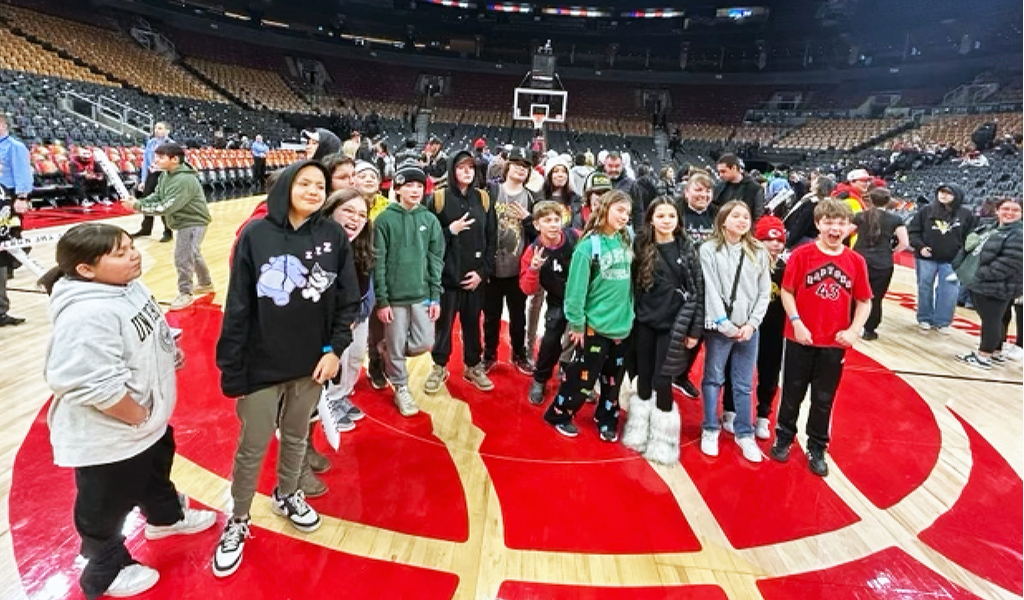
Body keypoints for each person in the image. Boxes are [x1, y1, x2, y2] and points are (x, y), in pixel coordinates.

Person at [41, 223, 217, 598]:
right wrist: (135, 415)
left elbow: (150, 328)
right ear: (86, 269)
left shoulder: (126, 286)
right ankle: (104, 571)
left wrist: (168, 352)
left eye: (130, 246)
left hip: (145, 426)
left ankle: (166, 519)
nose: (134, 255)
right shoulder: (85, 315)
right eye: (119, 253)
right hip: (113, 435)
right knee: (105, 505)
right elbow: (87, 382)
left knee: (154, 474)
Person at [213, 160, 360, 578]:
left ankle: (289, 493)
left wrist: (335, 350)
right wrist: (233, 364)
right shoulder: (256, 235)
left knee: (296, 436)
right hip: (261, 363)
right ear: (286, 188)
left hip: (312, 362)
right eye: (305, 183)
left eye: (320, 185)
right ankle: (238, 519)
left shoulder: (332, 236)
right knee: (253, 445)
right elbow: (238, 304)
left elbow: (347, 300)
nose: (314, 191)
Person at [770, 199, 872, 477]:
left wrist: (853, 330)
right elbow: (787, 291)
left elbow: (865, 301)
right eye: (828, 222)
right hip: (799, 338)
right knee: (791, 393)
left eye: (840, 223)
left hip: (833, 343)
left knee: (824, 398)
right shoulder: (802, 255)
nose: (834, 228)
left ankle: (817, 446)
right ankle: (784, 437)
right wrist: (797, 322)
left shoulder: (856, 261)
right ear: (818, 224)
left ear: (848, 227)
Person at [543, 190, 634, 442]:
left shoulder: (624, 241)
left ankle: (606, 417)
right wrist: (577, 323)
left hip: (622, 326)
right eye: (619, 210)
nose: (624, 216)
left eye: (627, 212)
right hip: (594, 326)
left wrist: (630, 315)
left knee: (614, 381)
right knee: (582, 377)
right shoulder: (588, 246)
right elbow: (575, 290)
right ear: (604, 210)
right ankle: (559, 414)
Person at [622, 198, 703, 464]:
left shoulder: (688, 249)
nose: (666, 220)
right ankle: (638, 429)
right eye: (661, 215)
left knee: (662, 379)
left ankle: (664, 440)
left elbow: (698, 292)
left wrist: (694, 329)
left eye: (671, 215)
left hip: (673, 326)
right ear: (651, 219)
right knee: (643, 377)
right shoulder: (641, 246)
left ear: (678, 220)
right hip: (644, 322)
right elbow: (632, 285)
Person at [698, 200, 771, 463]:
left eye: (746, 216)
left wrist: (752, 324)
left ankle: (745, 433)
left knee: (743, 383)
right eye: (736, 216)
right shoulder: (709, 250)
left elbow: (764, 292)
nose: (742, 220)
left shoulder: (759, 251)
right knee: (713, 378)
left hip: (749, 329)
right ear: (723, 219)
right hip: (720, 328)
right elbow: (710, 290)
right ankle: (709, 428)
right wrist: (725, 324)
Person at [374, 163, 445, 416]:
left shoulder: (429, 219)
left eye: (419, 185)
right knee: (396, 346)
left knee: (425, 342)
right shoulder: (384, 220)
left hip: (421, 294)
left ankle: (386, 349)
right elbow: (378, 261)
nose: (415, 190)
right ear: (398, 188)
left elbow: (436, 259)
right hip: (393, 298)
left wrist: (435, 295)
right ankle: (401, 388)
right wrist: (382, 300)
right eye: (408, 185)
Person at [424, 150, 496, 395]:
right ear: (452, 169)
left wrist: (482, 273)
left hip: (475, 278)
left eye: (471, 167)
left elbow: (491, 239)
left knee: (473, 325)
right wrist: (449, 230)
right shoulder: (438, 198)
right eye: (461, 167)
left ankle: (473, 366)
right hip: (447, 278)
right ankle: (439, 366)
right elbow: (428, 239)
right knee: (443, 327)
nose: (467, 171)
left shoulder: (484, 199)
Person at [122, 143, 213, 311]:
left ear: (175, 159)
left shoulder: (184, 180)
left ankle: (185, 293)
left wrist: (137, 207)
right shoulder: (166, 174)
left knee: (183, 257)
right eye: (156, 156)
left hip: (192, 222)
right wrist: (140, 202)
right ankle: (205, 282)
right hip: (184, 221)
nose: (155, 160)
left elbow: (166, 207)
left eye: (161, 157)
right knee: (193, 253)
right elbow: (158, 195)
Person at [318, 188, 374, 440]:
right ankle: (326, 403)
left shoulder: (360, 245)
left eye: (362, 214)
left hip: (357, 313)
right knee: (335, 364)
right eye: (348, 211)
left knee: (354, 359)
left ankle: (340, 396)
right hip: (332, 320)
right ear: (330, 212)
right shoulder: (319, 245)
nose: (355, 219)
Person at [483, 147, 537, 375]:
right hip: (492, 268)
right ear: (507, 167)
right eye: (516, 165)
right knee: (491, 316)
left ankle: (519, 354)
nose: (520, 170)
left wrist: (527, 220)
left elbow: (536, 235)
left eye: (525, 167)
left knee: (518, 316)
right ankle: (489, 354)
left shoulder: (531, 197)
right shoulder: (492, 191)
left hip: (517, 269)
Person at [953, 198, 1023, 369]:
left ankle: (983, 356)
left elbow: (1010, 262)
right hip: (985, 283)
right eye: (1005, 208)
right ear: (997, 211)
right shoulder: (990, 228)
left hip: (997, 284)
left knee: (991, 320)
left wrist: (981, 275)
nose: (1009, 213)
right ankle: (996, 352)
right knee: (996, 319)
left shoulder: (1018, 234)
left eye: (1015, 210)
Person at [521, 201, 579, 406]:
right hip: (558, 299)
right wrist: (534, 269)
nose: (554, 224)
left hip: (582, 297)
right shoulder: (533, 251)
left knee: (585, 341)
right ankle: (540, 379)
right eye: (547, 220)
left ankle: (579, 380)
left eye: (557, 219)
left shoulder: (575, 237)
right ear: (537, 225)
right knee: (550, 339)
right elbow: (526, 289)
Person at [671, 171, 716, 398]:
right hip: (677, 280)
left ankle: (681, 375)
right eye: (698, 189)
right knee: (671, 330)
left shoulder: (717, 215)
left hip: (707, 283)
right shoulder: (675, 210)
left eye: (707, 190)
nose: (703, 194)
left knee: (695, 333)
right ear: (687, 191)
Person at [908, 183, 975, 333]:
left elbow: (970, 236)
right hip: (926, 257)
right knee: (925, 287)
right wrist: (920, 246)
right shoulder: (926, 211)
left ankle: (943, 321)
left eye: (948, 193)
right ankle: (924, 318)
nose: (943, 195)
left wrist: (963, 254)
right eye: (941, 192)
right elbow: (913, 231)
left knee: (950, 290)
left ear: (956, 196)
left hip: (953, 260)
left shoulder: (966, 214)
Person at [851, 187, 910, 340]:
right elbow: (904, 243)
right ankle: (869, 330)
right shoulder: (895, 219)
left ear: (870, 199)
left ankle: (850, 324)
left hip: (859, 259)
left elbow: (844, 232)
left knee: (853, 294)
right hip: (883, 262)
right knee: (875, 298)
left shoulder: (860, 216)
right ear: (888, 200)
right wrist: (890, 252)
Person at [131, 122, 174, 242]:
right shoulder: (150, 143)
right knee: (146, 200)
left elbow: (176, 162)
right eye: (155, 128)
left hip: (165, 174)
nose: (156, 130)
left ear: (167, 131)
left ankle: (168, 231)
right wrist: (143, 180)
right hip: (151, 174)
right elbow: (145, 163)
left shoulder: (172, 145)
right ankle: (146, 228)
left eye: (160, 128)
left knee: (163, 201)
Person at [0, 159, 29, 326]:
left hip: (4, 241)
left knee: (1, 278)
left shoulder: (3, 189)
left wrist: (14, 233)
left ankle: (1, 313)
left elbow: (9, 214)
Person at [783, 174, 836, 249]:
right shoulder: (821, 201)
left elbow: (801, 224)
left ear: (819, 185)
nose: (812, 182)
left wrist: (789, 242)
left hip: (803, 239)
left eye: (815, 181)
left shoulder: (813, 203)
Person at [712, 153, 764, 220]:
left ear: (734, 168)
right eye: (719, 172)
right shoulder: (719, 187)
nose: (720, 175)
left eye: (723, 171)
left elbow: (758, 215)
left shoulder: (755, 188)